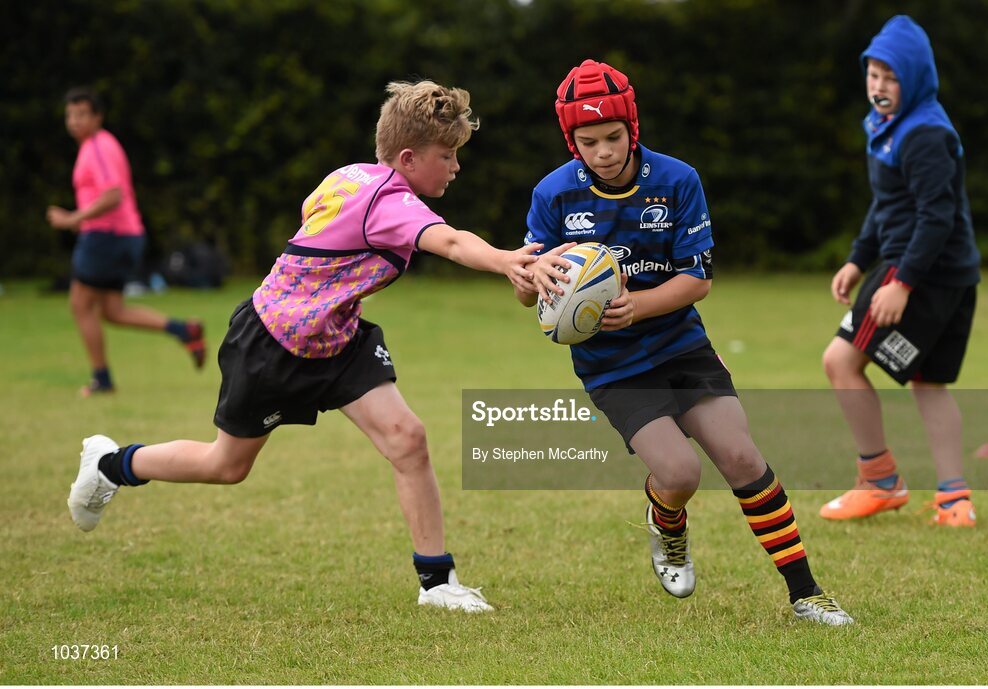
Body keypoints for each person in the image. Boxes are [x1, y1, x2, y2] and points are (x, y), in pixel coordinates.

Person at [67, 80, 543, 612]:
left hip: (336, 338)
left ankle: (437, 584)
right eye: (447, 155)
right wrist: (506, 260)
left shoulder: (352, 175)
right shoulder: (389, 201)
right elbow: (451, 241)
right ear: (408, 157)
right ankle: (110, 463)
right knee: (227, 465)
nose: (456, 166)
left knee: (407, 437)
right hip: (273, 343)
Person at [518, 59, 853, 625]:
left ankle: (806, 593)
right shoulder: (553, 195)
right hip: (612, 365)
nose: (602, 151)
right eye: (588, 140)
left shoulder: (677, 181)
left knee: (743, 457)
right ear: (571, 140)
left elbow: (698, 278)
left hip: (680, 345)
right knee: (679, 475)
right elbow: (532, 298)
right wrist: (534, 280)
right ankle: (667, 525)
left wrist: (638, 305)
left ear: (633, 129)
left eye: (613, 137)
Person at [819, 16, 980, 528]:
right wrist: (856, 258)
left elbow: (938, 217)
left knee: (839, 364)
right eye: (873, 75)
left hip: (921, 274)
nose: (879, 87)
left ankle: (880, 481)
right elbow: (887, 205)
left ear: (913, 80)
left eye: (891, 78)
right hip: (951, 276)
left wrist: (900, 283)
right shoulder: (894, 125)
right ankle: (955, 501)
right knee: (929, 383)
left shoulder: (923, 133)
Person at [46, 87, 206, 396]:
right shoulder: (96, 146)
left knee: (80, 304)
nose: (74, 121)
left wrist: (72, 219)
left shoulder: (97, 147)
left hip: (108, 235)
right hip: (121, 235)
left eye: (82, 114)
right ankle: (184, 331)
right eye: (70, 115)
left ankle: (102, 380)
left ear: (97, 117)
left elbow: (113, 194)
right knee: (112, 311)